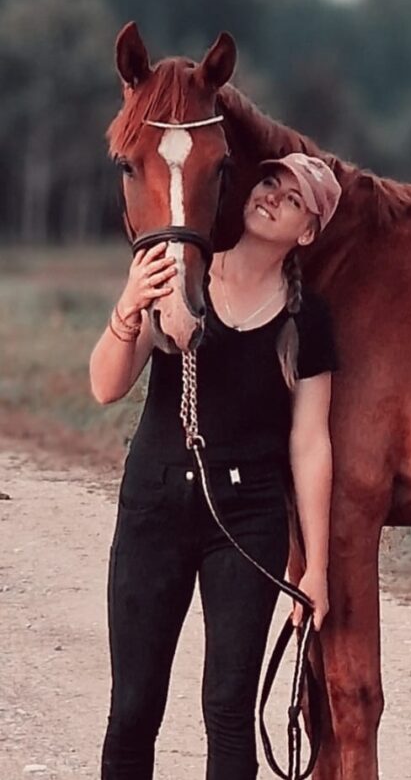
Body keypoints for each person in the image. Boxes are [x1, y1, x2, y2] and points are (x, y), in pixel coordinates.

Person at [88, 152, 342, 779]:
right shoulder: (178, 275)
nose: (274, 195)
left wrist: (316, 570)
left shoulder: (308, 319)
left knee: (228, 709)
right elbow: (104, 387)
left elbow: (310, 444)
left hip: (247, 519)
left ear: (308, 231)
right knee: (133, 710)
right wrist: (128, 305)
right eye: (270, 181)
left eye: (294, 197)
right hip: (154, 505)